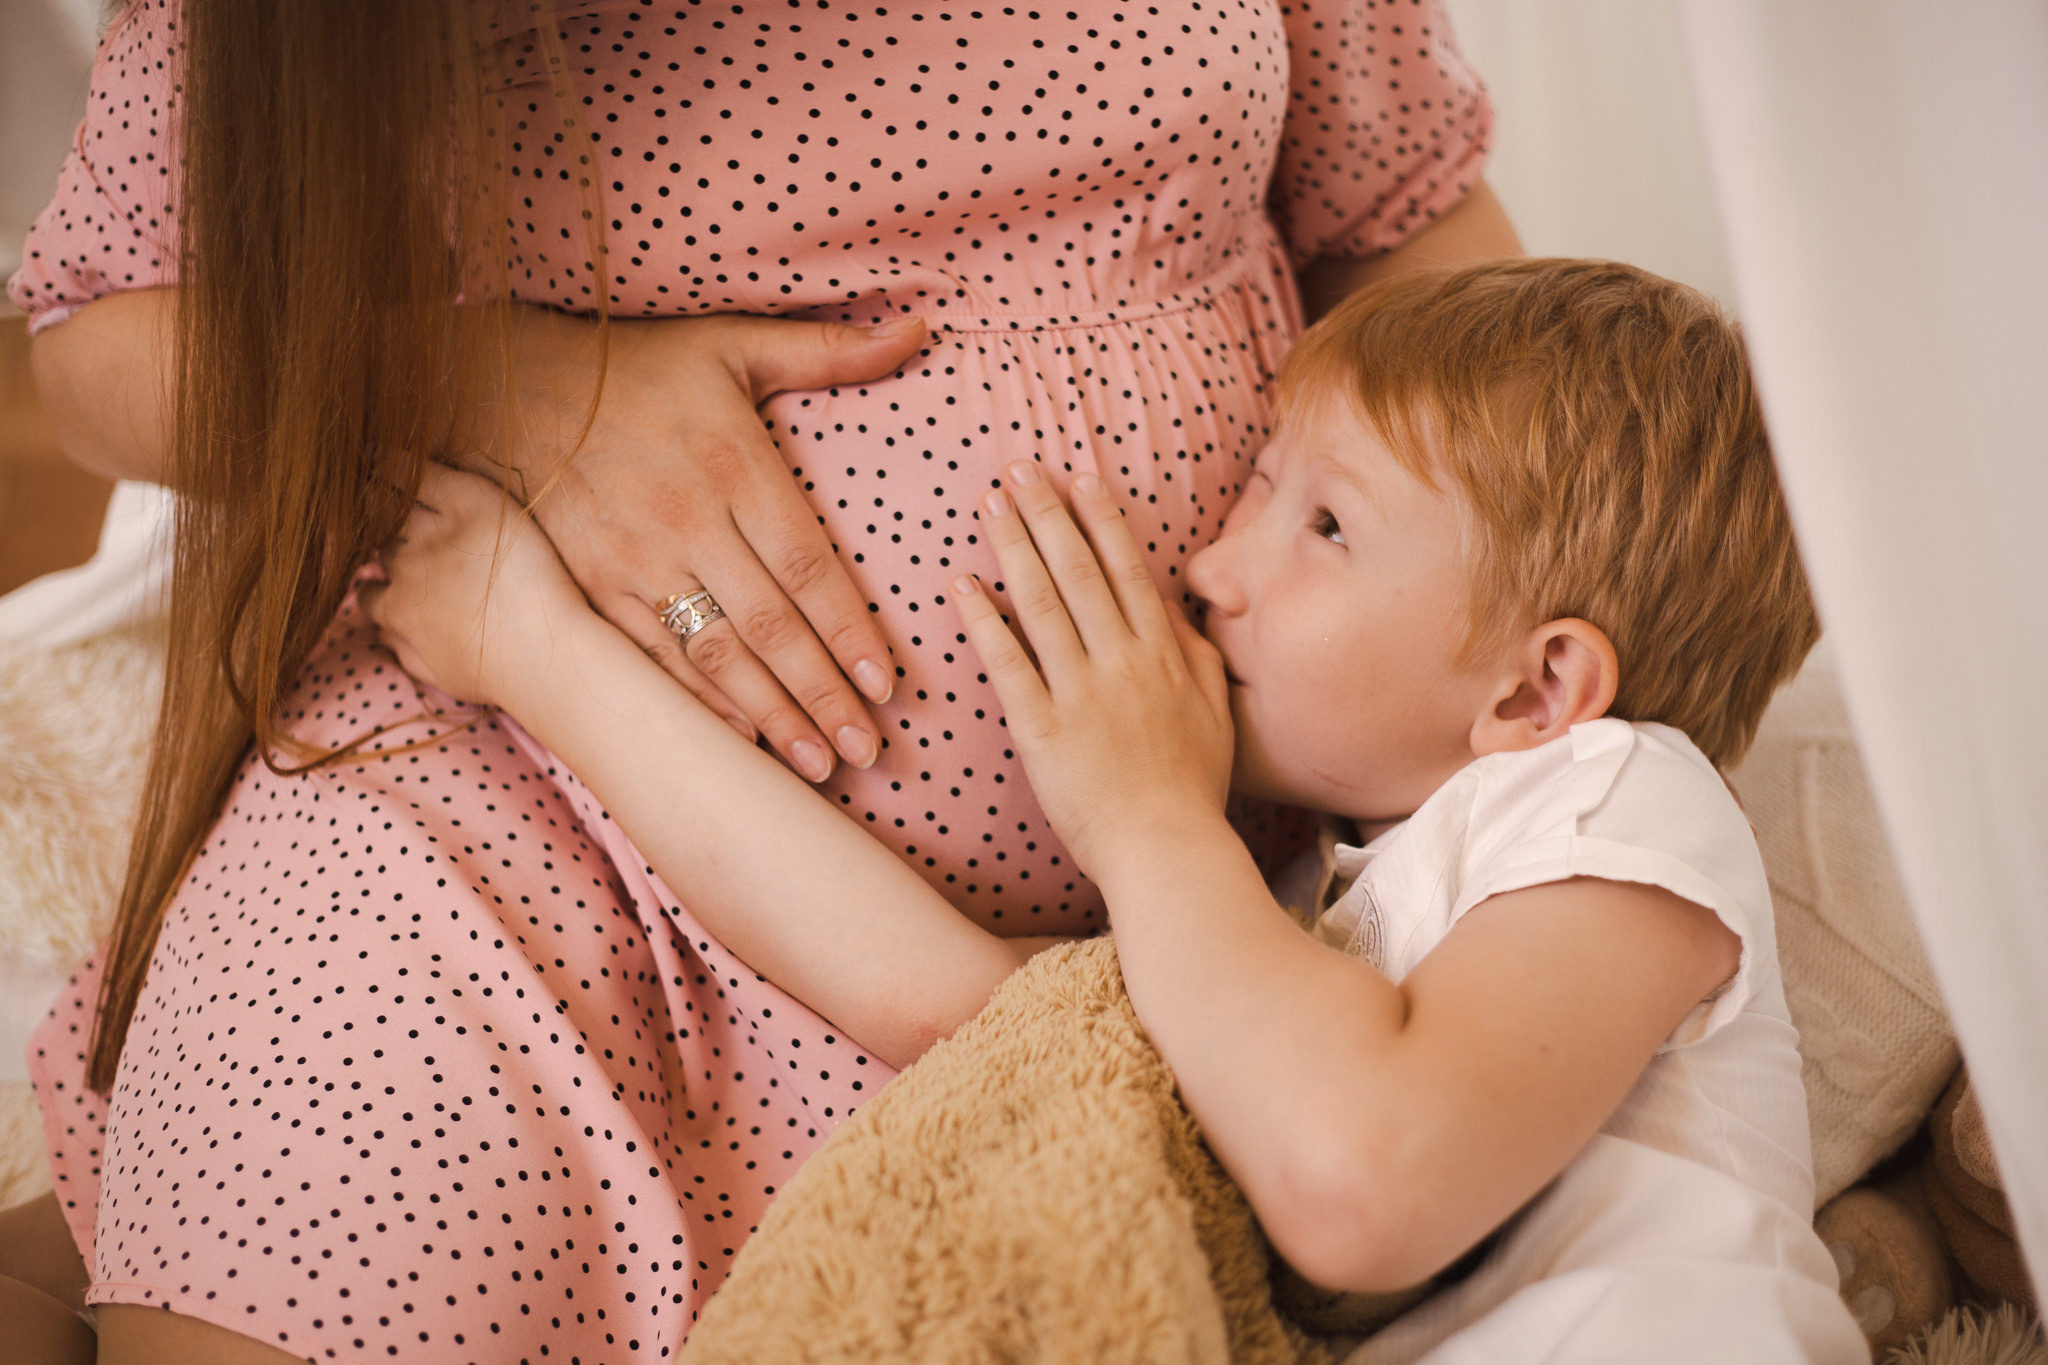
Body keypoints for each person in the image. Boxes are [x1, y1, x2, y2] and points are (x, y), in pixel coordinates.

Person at [1, 0, 1522, 1361]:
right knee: (302, 1240)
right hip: (510, 788)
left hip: (1137, 906)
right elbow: (101, 337)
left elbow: (1407, 223)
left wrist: (1535, 597)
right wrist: (507, 383)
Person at [368, 258, 1867, 1361]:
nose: (1215, 564)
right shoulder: (1316, 917)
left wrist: (1149, 820)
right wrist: (540, 652)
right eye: (1257, 485)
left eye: (1326, 523)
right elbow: (940, 991)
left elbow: (1362, 1180)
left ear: (1538, 695)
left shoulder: (1624, 801)